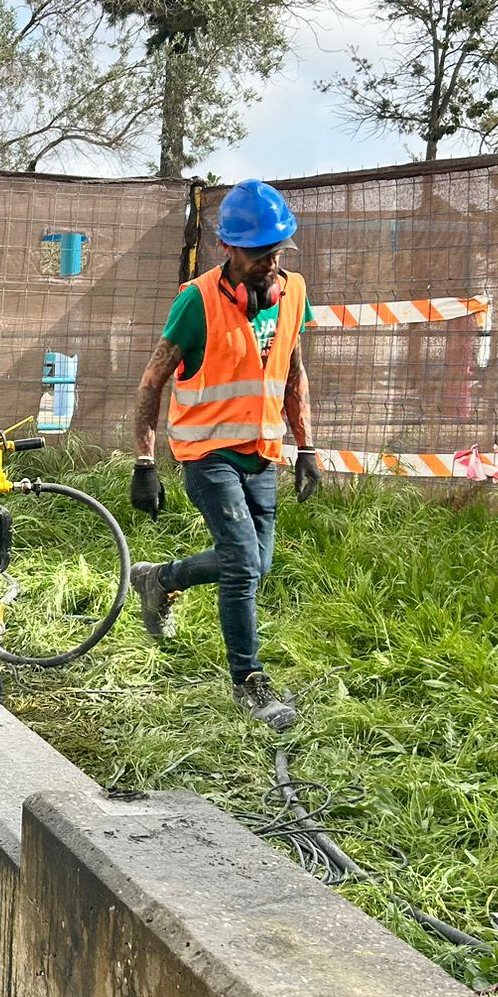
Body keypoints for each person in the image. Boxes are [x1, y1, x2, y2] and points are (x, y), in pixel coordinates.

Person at [126, 179, 320, 731]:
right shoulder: (197, 301)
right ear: (228, 247)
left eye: (277, 252)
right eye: (260, 254)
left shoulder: (293, 293)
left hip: (263, 452)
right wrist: (144, 463)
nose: (271, 264)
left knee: (258, 563)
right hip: (207, 452)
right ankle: (249, 681)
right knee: (241, 563)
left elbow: (293, 372)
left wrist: (306, 446)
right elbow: (151, 383)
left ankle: (159, 579)